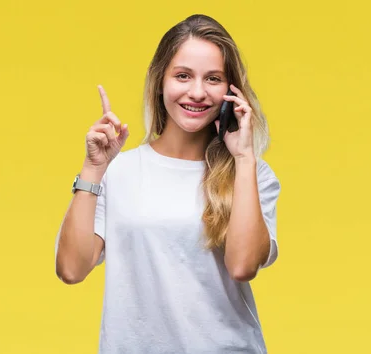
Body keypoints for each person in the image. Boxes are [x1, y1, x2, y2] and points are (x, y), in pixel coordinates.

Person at [54, 14, 281, 354]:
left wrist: (245, 158)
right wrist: (93, 168)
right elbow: (71, 269)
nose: (198, 92)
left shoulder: (252, 174)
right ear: (160, 81)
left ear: (231, 91)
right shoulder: (119, 172)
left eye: (214, 78)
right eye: (183, 76)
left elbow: (242, 266)